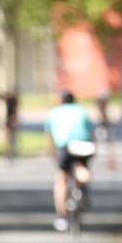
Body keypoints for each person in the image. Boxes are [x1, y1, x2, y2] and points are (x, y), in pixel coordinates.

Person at [45, 92, 94, 232]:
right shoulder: (82, 111)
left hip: (66, 146)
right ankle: (83, 189)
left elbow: (50, 135)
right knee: (82, 168)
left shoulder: (55, 113)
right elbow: (90, 130)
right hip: (84, 145)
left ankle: (62, 216)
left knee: (62, 178)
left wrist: (51, 152)